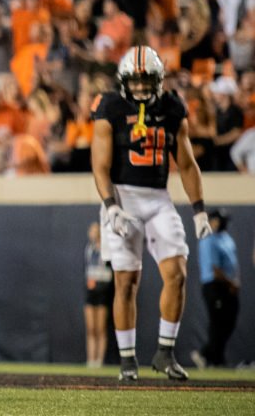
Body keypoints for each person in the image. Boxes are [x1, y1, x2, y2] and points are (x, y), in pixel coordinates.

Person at [90, 45, 212, 382]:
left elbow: (186, 162)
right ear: (123, 81)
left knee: (177, 273)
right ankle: (128, 360)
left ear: (159, 80)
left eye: (147, 81)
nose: (142, 88)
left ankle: (165, 352)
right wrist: (111, 206)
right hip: (122, 195)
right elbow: (99, 165)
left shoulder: (172, 107)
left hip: (158, 197)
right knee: (126, 281)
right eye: (136, 81)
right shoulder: (110, 106)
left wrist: (199, 210)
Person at [191, 209, 240, 368]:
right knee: (217, 321)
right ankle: (209, 356)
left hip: (229, 285)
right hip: (215, 285)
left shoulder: (226, 238)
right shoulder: (208, 239)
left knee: (228, 321)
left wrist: (234, 282)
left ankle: (213, 356)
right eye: (220, 220)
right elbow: (215, 269)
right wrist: (231, 283)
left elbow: (232, 263)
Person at [84, 222, 113, 368]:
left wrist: (97, 280)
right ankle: (91, 359)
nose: (92, 233)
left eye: (94, 230)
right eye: (91, 230)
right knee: (91, 328)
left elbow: (109, 273)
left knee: (100, 328)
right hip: (90, 293)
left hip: (102, 292)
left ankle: (99, 360)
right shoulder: (89, 249)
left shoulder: (106, 250)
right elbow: (88, 269)